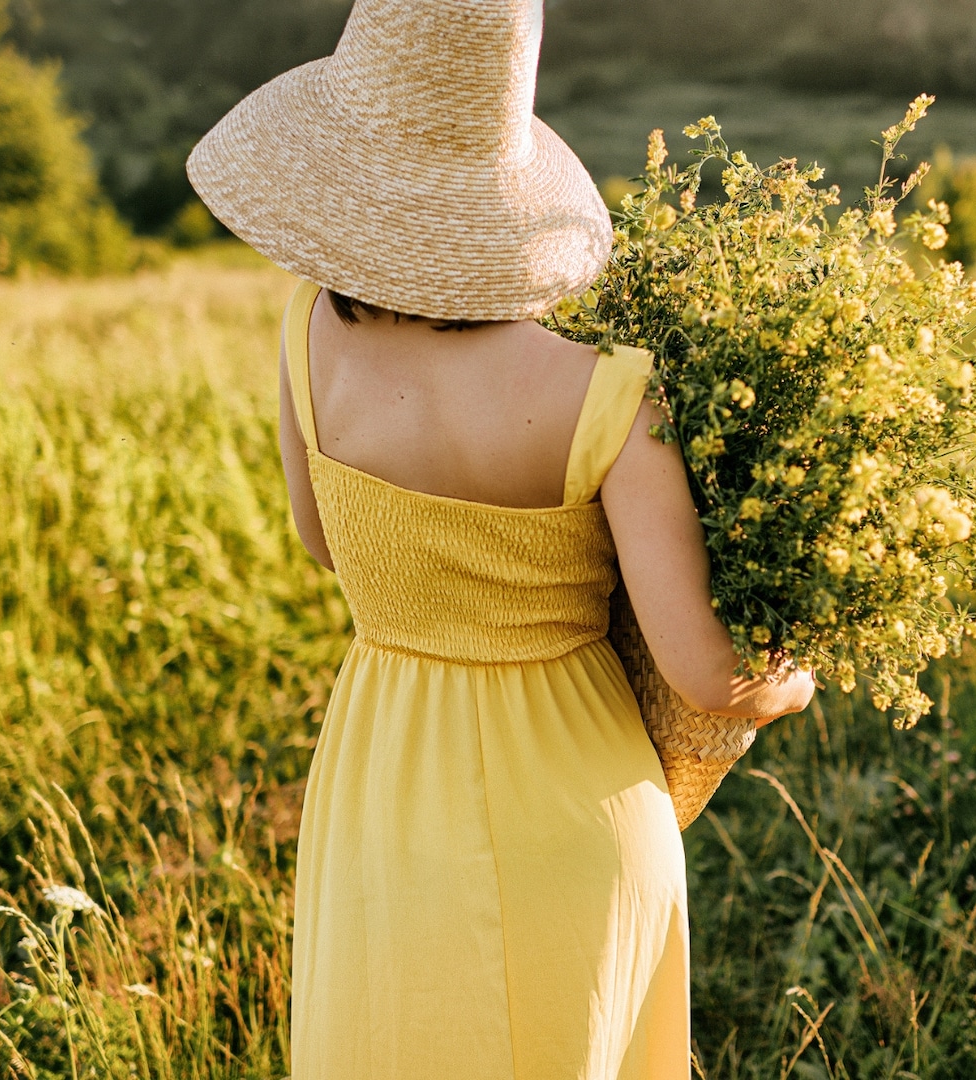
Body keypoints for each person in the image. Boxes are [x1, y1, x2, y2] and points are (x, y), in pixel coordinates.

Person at [187, 1, 814, 1077]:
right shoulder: (610, 394)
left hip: (385, 779)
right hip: (575, 805)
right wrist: (798, 670)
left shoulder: (301, 333)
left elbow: (323, 543)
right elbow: (709, 677)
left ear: (347, 175)